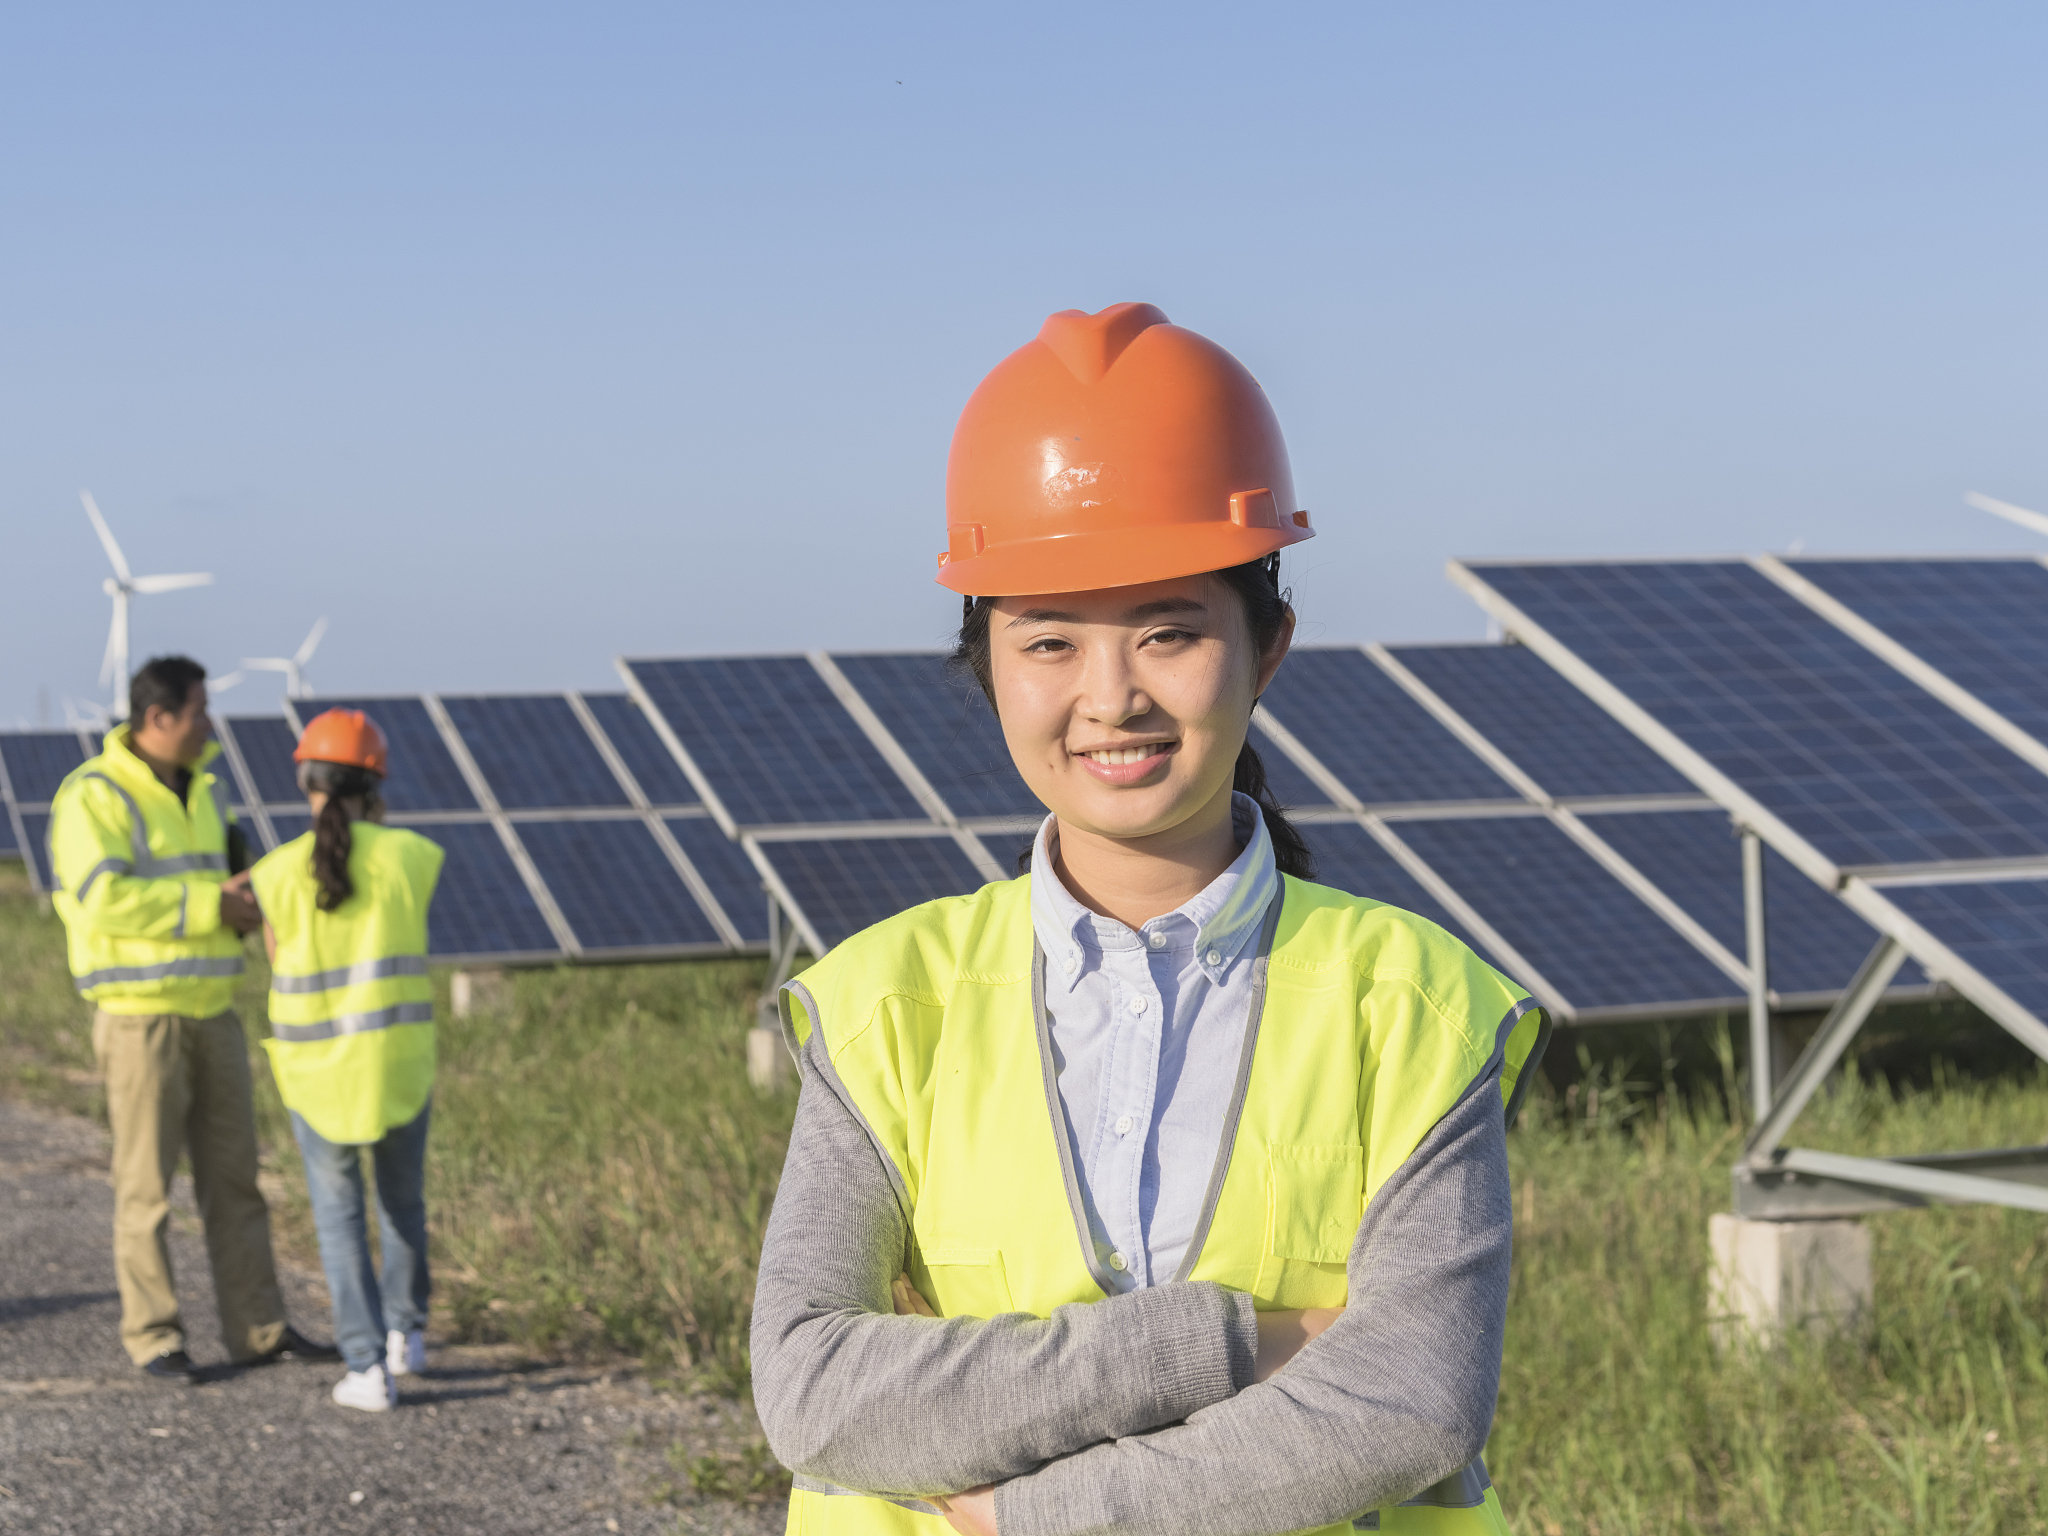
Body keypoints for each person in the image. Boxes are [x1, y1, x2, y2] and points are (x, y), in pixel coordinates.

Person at [751, 303, 1550, 1536]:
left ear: (1265, 646)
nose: (1108, 697)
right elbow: (810, 1392)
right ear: (986, 662)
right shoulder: (880, 1008)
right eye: (1048, 641)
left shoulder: (1413, 1005)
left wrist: (1030, 1515)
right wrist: (1245, 1343)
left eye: (1170, 632)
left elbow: (1411, 1398)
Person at [47, 655, 336, 1382]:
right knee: (146, 1188)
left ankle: (260, 1330)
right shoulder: (93, 795)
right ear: (158, 718)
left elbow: (221, 877)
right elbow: (101, 897)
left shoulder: (206, 790)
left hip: (214, 1013)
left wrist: (246, 902)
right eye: (200, 712)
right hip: (140, 1018)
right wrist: (210, 906)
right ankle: (155, 1337)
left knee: (237, 1181)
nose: (211, 724)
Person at [248, 707, 444, 1413]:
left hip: (317, 1076)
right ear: (375, 782)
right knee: (402, 1204)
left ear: (306, 780)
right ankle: (407, 1336)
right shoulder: (413, 857)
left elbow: (276, 957)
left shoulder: (274, 874)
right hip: (396, 1067)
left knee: (338, 1218)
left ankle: (365, 1368)